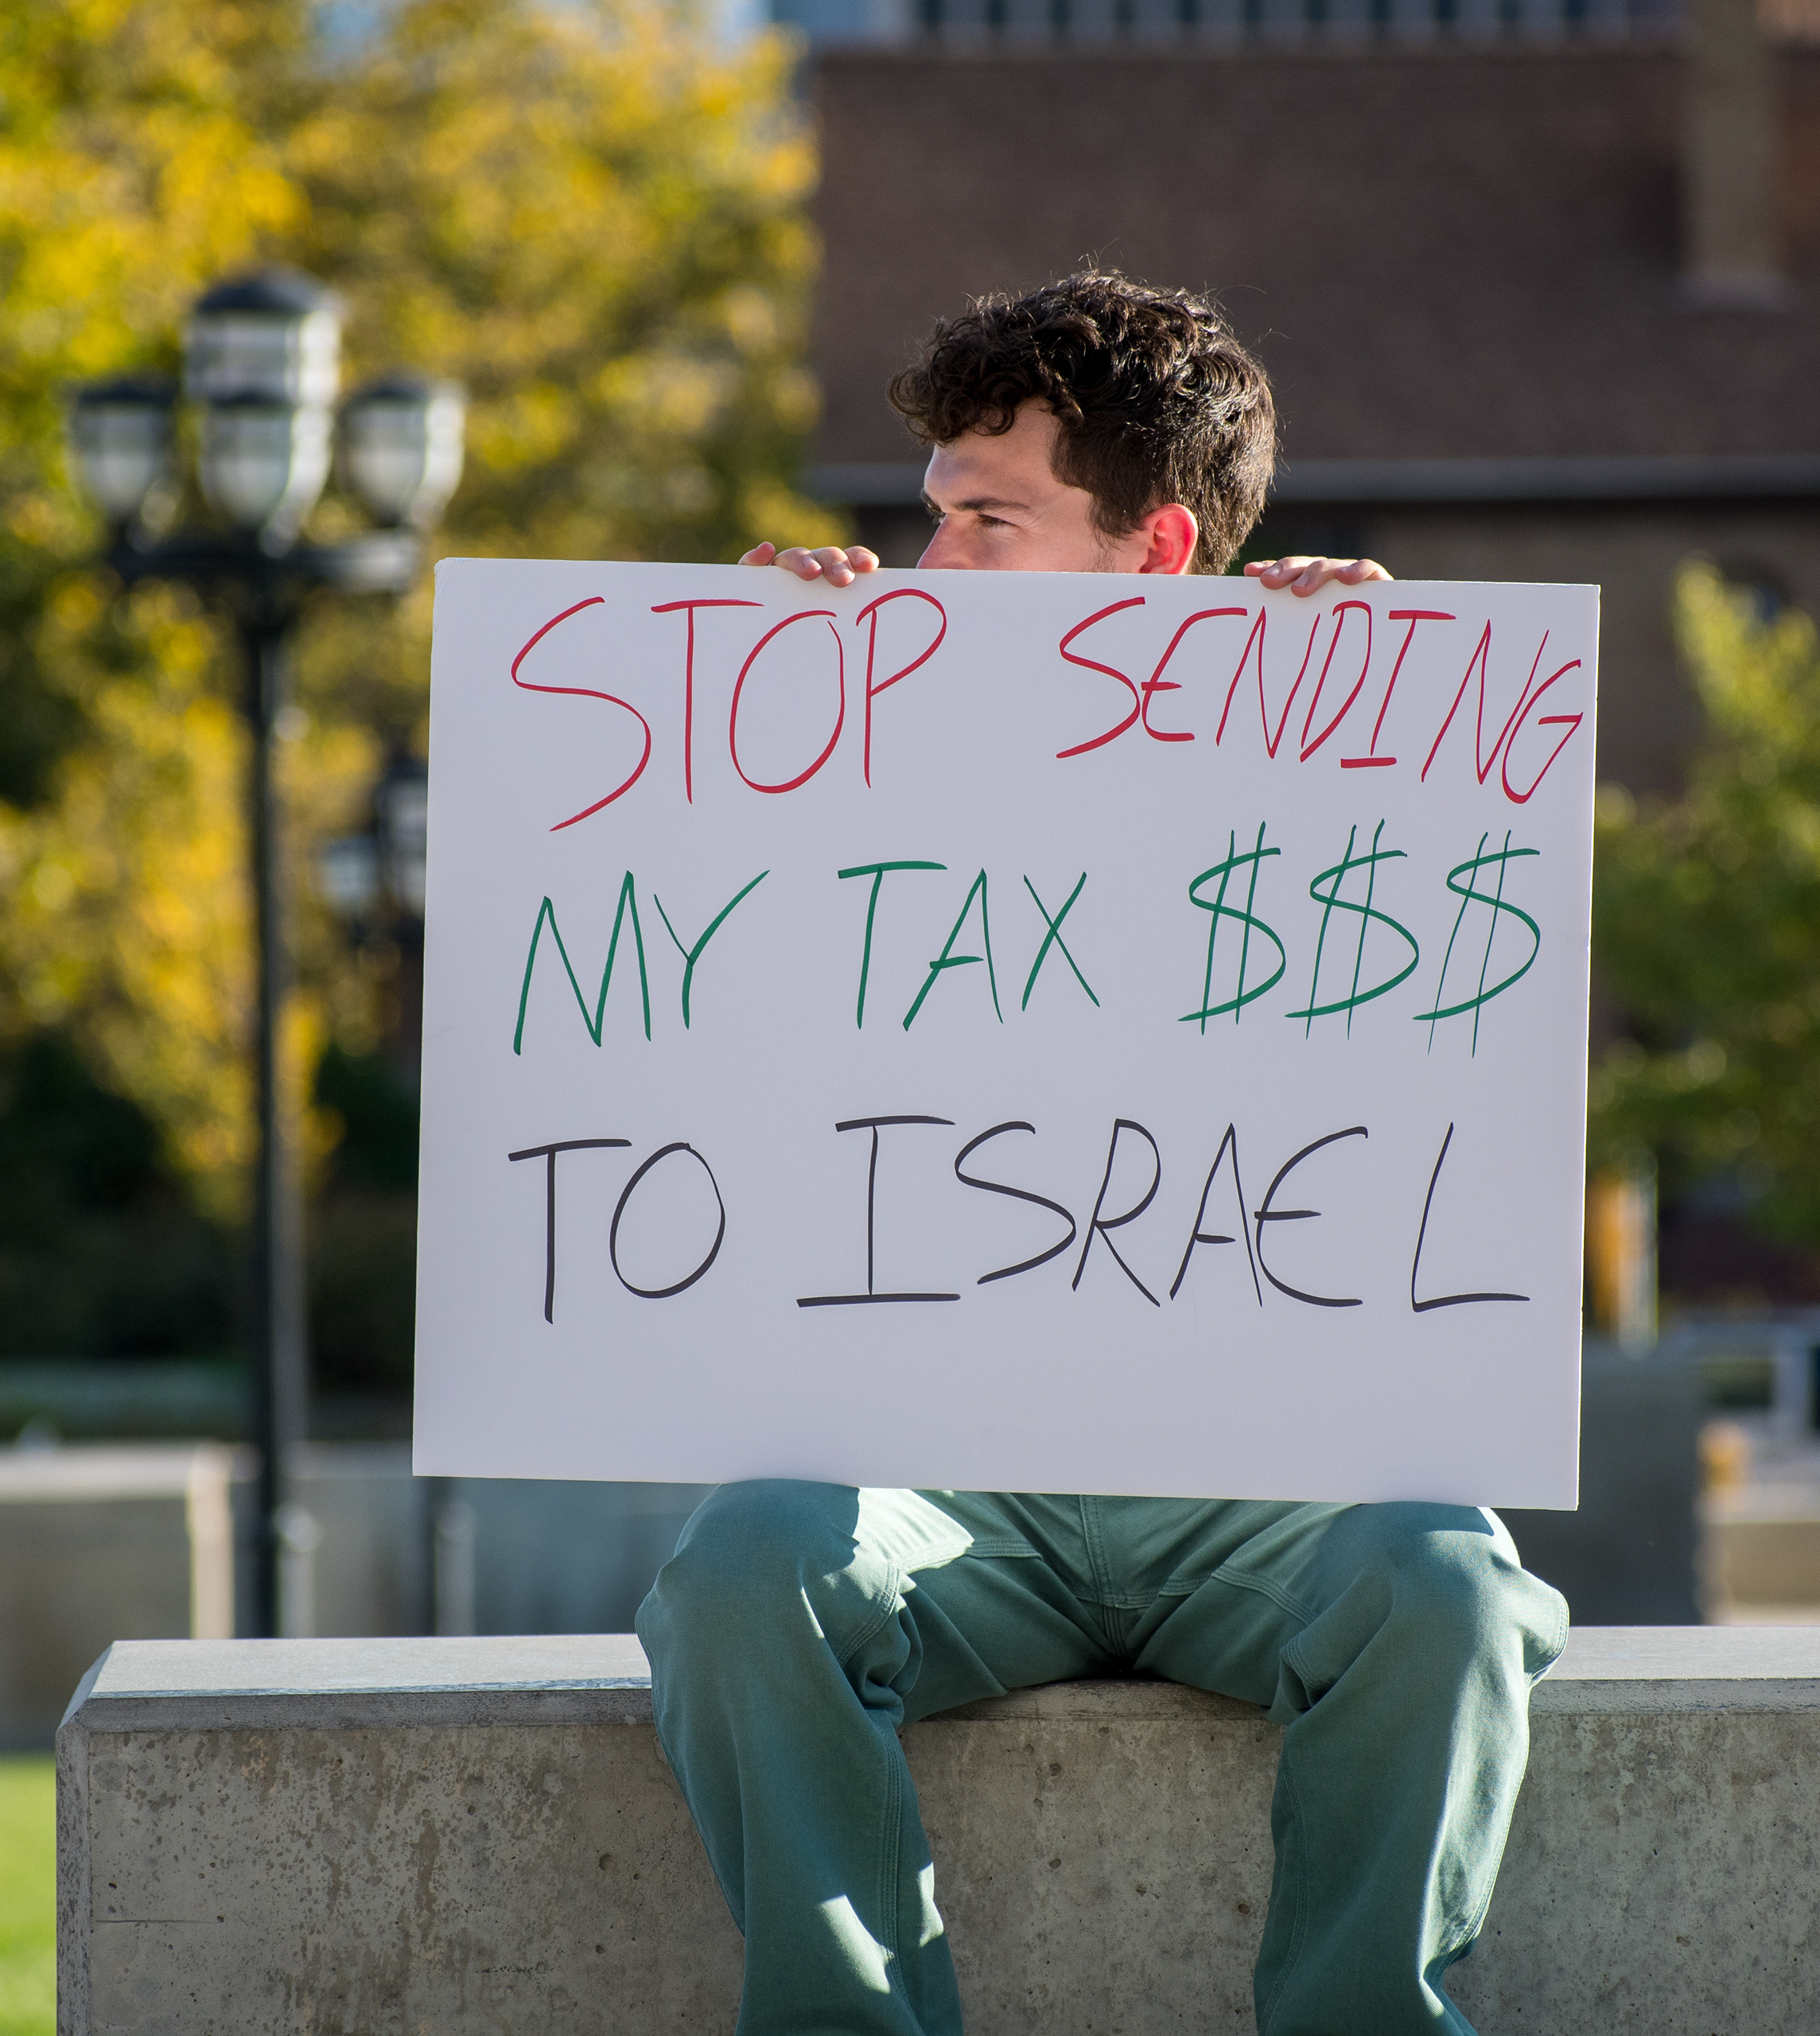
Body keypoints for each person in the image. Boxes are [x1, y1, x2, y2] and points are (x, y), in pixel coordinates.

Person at [636, 270, 1570, 2036]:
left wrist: (1387, 746)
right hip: (952, 1483)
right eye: (930, 517)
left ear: (1150, 554)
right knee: (744, 1568)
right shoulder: (838, 728)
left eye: (989, 524)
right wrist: (738, 738)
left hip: (1259, 1481)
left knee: (1447, 1579)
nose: (930, 565)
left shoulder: (1341, 730)